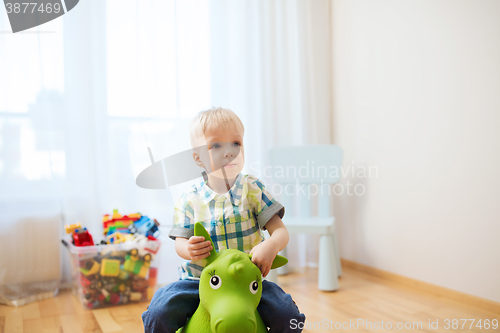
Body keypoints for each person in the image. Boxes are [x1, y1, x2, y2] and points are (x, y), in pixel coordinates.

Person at [142, 107, 305, 332]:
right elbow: (180, 243)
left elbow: (280, 232)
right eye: (216, 146)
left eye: (236, 143)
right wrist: (189, 249)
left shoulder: (253, 189)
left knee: (288, 315)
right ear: (198, 158)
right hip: (197, 281)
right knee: (158, 312)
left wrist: (271, 245)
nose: (229, 152)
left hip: (246, 284)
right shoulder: (188, 199)